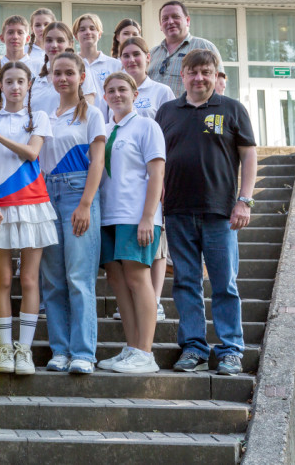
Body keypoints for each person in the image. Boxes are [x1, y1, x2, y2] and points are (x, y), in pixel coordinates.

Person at [156, 49, 257, 376]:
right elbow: (157, 159)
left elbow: (249, 156)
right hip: (177, 212)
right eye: (193, 72)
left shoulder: (232, 109)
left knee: (224, 283)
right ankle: (194, 348)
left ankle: (231, 350)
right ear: (182, 75)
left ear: (216, 75)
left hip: (220, 212)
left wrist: (245, 200)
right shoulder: (167, 111)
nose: (199, 78)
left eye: (206, 72)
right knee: (185, 282)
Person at [0, 61, 58, 375]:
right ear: (0, 85)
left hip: (32, 204)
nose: (15, 87)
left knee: (29, 279)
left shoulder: (38, 117)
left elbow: (31, 153)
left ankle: (23, 350)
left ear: (29, 85)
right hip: (1, 206)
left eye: (20, 81)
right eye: (9, 81)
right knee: (2, 280)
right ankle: (4, 348)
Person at [38, 52, 106, 374]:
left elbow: (98, 161)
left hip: (78, 192)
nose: (62, 78)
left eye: (69, 72)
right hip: (47, 194)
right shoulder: (45, 116)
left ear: (81, 77)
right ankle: (60, 350)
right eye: (57, 73)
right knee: (52, 280)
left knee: (78, 277)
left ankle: (83, 352)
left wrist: (86, 204)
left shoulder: (92, 113)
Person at [96, 72, 166, 374]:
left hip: (135, 215)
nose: (116, 95)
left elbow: (156, 173)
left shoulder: (147, 126)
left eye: (122, 89)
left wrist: (148, 217)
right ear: (104, 97)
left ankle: (145, 352)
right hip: (108, 215)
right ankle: (132, 347)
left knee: (138, 280)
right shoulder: (104, 129)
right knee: (116, 281)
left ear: (135, 94)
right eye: (110, 90)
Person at [118, 35, 176, 319]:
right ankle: (134, 300)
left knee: (156, 237)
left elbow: (172, 132)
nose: (131, 60)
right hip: (125, 177)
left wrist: (164, 174)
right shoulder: (117, 89)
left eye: (136, 55)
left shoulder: (161, 91)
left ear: (148, 58)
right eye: (126, 55)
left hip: (155, 171)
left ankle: (155, 300)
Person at [148, 0, 224, 98]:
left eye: (175, 17)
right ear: (160, 25)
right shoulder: (152, 54)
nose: (170, 22)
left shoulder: (204, 47)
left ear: (187, 20)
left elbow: (219, 86)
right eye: (165, 19)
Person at [29, 22, 98, 115]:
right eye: (49, 40)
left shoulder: (80, 73)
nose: (54, 45)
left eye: (60, 40)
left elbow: (87, 112)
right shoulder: (36, 80)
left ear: (70, 44)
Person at [74, 13, 122, 102]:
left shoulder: (115, 65)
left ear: (99, 34)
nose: (88, 32)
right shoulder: (71, 64)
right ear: (76, 36)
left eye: (92, 28)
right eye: (82, 29)